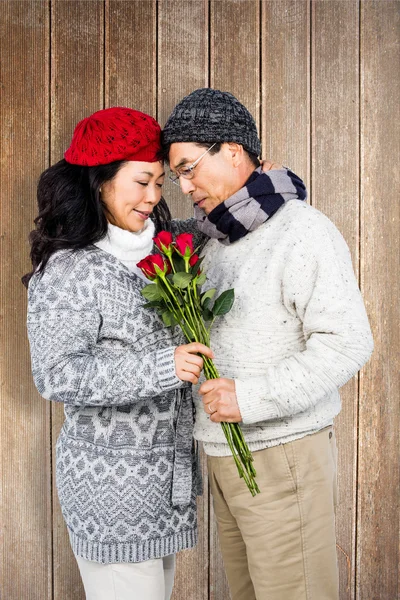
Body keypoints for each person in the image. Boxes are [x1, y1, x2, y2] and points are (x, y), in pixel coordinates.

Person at [161, 88, 374, 600]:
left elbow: (347, 342)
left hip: (282, 455)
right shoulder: (217, 237)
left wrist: (249, 398)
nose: (184, 187)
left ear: (233, 151)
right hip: (224, 456)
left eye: (190, 168)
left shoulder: (300, 230)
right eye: (176, 176)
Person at [24, 106, 214, 600]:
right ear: (101, 181)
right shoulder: (70, 271)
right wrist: (163, 367)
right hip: (111, 491)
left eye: (159, 183)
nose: (154, 197)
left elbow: (226, 222)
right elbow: (56, 375)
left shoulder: (166, 249)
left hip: (165, 483)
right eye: (141, 182)